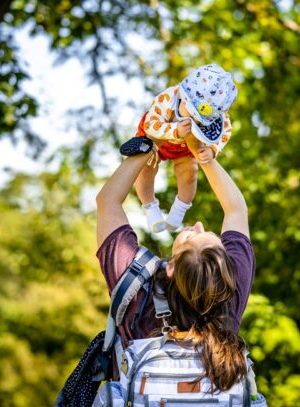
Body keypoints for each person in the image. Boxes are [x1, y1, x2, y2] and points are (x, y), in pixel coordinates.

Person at [95, 133, 253, 393]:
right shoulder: (230, 299)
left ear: (171, 267)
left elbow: (107, 201)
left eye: (192, 235)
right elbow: (236, 210)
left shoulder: (137, 292)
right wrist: (203, 154)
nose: (198, 224)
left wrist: (152, 141)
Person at [128, 63, 237, 233]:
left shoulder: (216, 113)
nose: (195, 120)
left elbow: (225, 131)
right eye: (192, 113)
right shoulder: (167, 99)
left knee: (190, 171)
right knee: (145, 167)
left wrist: (213, 149)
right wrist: (174, 130)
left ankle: (180, 208)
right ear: (181, 93)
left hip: (185, 144)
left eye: (200, 121)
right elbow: (150, 125)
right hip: (157, 136)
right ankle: (150, 207)